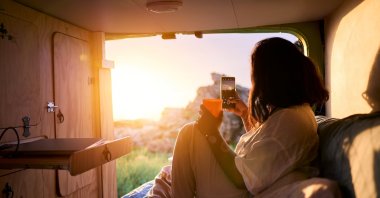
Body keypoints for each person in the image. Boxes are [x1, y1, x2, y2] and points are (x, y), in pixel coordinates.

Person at [150, 37, 335, 198]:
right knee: (176, 162)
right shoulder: (294, 113)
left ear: (269, 77)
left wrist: (212, 133)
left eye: (255, 75)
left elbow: (242, 178)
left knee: (189, 133)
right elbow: (265, 151)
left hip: (240, 192)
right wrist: (246, 115)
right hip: (244, 188)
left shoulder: (290, 120)